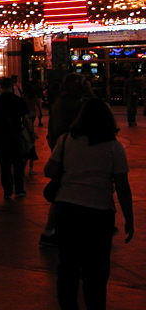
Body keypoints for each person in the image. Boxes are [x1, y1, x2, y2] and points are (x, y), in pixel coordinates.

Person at [45, 98, 134, 310]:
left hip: (67, 208)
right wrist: (129, 218)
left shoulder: (66, 140)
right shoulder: (114, 147)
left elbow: (49, 171)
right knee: (96, 269)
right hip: (99, 211)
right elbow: (122, 186)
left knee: (68, 266)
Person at [41, 73, 86, 247]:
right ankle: (58, 230)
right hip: (71, 153)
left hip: (61, 149)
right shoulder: (73, 105)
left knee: (62, 191)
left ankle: (51, 230)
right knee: (65, 192)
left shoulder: (59, 103)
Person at [0, 77, 28, 199]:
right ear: (12, 86)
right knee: (18, 163)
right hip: (16, 134)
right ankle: (19, 189)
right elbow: (26, 119)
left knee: (4, 165)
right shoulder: (19, 101)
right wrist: (29, 133)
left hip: (1, 136)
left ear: (0, 87)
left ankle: (7, 190)